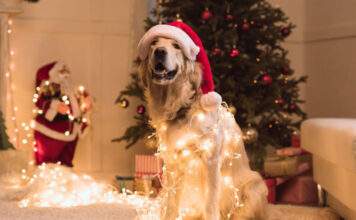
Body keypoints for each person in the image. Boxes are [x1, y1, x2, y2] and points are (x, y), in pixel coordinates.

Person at [31, 61, 92, 167]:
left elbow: (77, 109)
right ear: (54, 73)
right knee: (48, 162)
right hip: (51, 130)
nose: (66, 72)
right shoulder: (49, 88)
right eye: (62, 70)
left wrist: (85, 107)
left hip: (71, 130)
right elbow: (40, 102)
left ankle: (67, 178)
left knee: (66, 164)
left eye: (66, 70)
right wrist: (55, 106)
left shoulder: (73, 91)